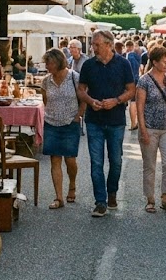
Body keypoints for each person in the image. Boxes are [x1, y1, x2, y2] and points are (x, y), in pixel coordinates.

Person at [78, 30, 136, 218]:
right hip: (94, 121)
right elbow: (81, 90)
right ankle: (100, 202)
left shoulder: (123, 64)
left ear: (109, 45)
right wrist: (89, 100)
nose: (93, 48)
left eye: (97, 44)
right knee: (96, 162)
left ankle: (112, 191)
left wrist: (117, 100)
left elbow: (131, 90)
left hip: (116, 120)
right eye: (93, 44)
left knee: (116, 161)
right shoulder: (88, 65)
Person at [41, 48, 85, 209]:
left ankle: (72, 184)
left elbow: (83, 98)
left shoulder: (74, 77)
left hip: (70, 123)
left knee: (70, 160)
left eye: (49, 62)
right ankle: (59, 197)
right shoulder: (46, 81)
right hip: (51, 123)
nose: (47, 66)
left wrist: (78, 115)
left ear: (58, 62)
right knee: (55, 160)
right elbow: (45, 100)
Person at [136, 46, 166, 214]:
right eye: (164, 61)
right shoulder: (144, 80)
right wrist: (143, 130)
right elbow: (139, 107)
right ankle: (150, 199)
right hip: (150, 128)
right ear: (154, 62)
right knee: (150, 166)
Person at [125, 40, 142, 130]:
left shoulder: (129, 56)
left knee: (132, 101)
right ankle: (137, 122)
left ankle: (133, 123)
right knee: (136, 101)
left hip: (130, 79)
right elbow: (140, 67)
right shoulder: (138, 54)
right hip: (137, 78)